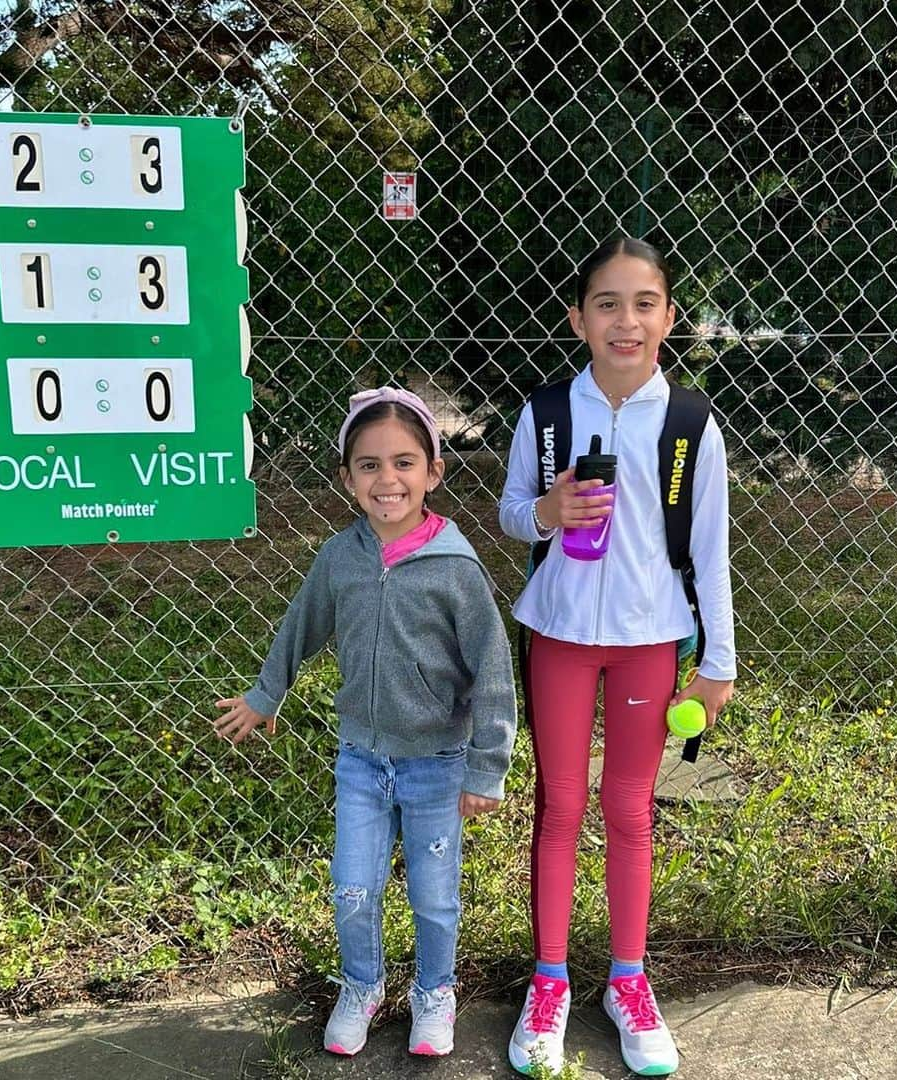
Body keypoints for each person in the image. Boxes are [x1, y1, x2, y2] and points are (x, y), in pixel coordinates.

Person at [214, 386, 517, 1059]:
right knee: (353, 889)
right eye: (370, 465)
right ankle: (363, 985)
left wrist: (486, 766)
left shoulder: (456, 570)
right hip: (361, 761)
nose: (389, 480)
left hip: (438, 764)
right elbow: (302, 627)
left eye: (405, 463)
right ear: (348, 478)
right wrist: (267, 695)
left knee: (435, 898)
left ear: (433, 472)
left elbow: (493, 672)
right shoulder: (340, 558)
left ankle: (435, 993)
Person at [499, 238, 736, 1077]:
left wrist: (719, 663)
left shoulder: (691, 423)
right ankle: (552, 979)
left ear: (670, 318)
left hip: (649, 641)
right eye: (606, 303)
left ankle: (628, 979)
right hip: (560, 632)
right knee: (560, 802)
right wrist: (550, 509)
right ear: (578, 319)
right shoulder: (548, 410)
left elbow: (710, 552)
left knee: (628, 806)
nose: (625, 320)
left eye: (644, 303)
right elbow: (512, 515)